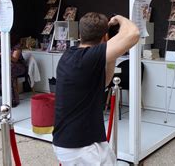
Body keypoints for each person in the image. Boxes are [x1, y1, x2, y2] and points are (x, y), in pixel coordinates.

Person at [52, 13, 139, 165]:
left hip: (76, 141)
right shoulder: (89, 57)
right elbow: (134, 33)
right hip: (80, 147)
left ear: (80, 35)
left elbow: (104, 82)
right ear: (105, 37)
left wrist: (113, 52)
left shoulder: (70, 54)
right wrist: (119, 18)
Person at [0, 34, 26, 107]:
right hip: (5, 66)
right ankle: (13, 100)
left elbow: (15, 59)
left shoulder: (17, 45)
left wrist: (5, 54)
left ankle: (2, 88)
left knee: (9, 70)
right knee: (7, 72)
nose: (1, 35)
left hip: (18, 66)